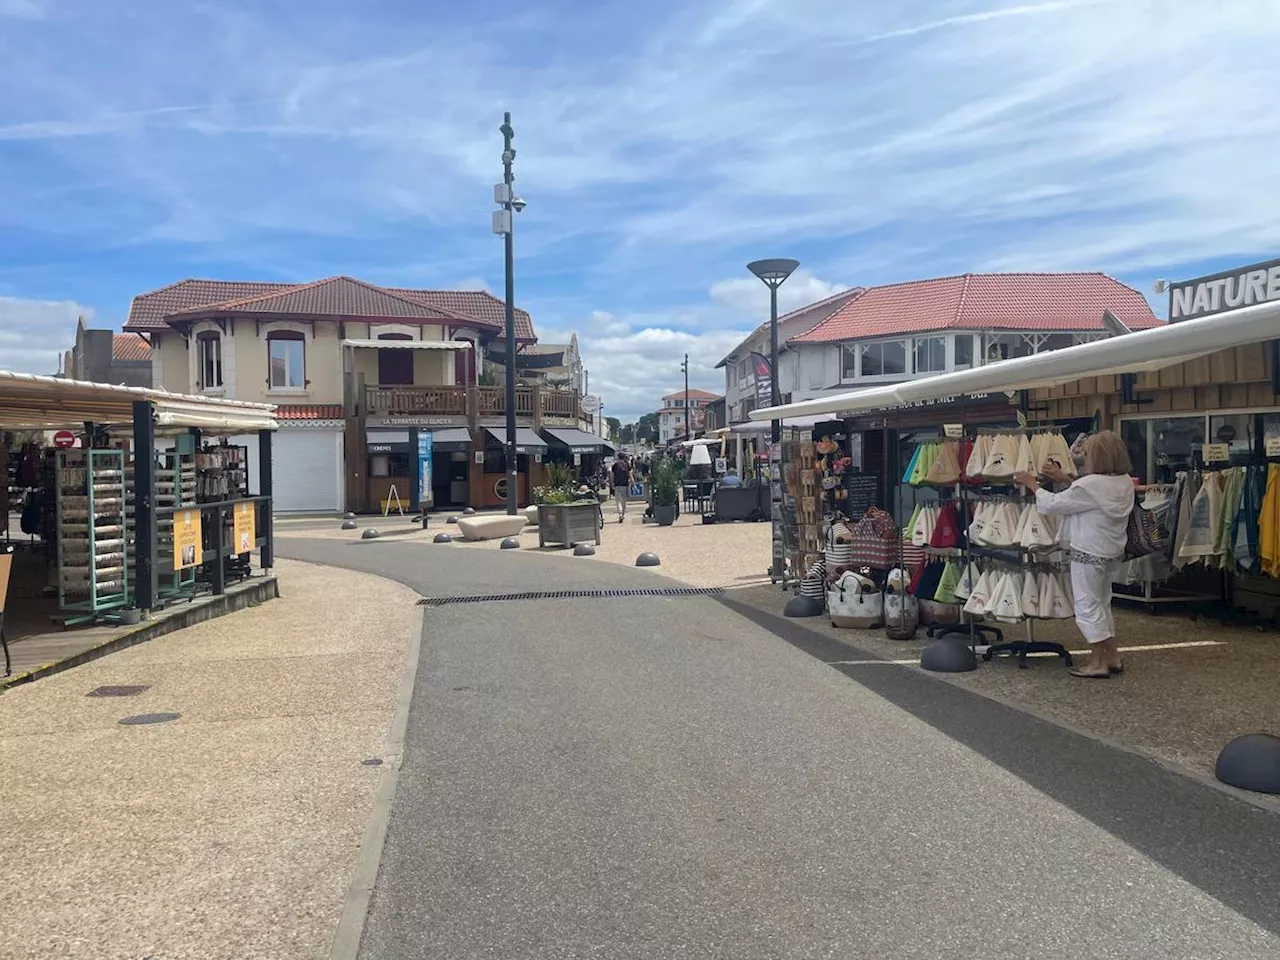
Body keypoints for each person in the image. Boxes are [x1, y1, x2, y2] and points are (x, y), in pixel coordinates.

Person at [1014, 430, 1136, 679]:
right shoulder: (1123, 480)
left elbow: (1052, 504)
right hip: (1110, 551)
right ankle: (1112, 656)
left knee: (1087, 606)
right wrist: (1068, 478)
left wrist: (1032, 484)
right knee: (1102, 603)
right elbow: (1091, 497)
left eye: (1088, 452)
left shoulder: (1089, 485)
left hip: (1087, 551)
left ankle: (1098, 662)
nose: (1084, 456)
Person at [611, 454, 633, 523]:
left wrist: (612, 484)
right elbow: (630, 475)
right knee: (624, 500)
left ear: (618, 457)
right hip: (625, 485)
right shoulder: (627, 465)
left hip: (617, 485)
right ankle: (623, 514)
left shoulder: (615, 465)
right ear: (624, 458)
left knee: (618, 500)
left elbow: (612, 475)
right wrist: (633, 483)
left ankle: (620, 513)